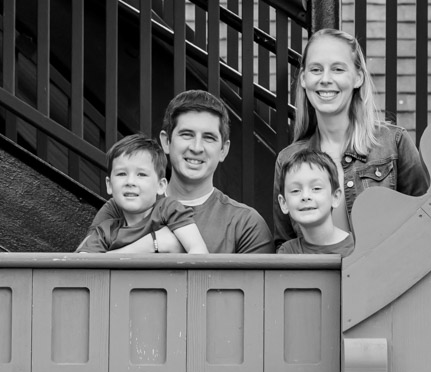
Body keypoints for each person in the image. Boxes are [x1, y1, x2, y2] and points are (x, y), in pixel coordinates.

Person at [272, 28, 429, 249]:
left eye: (337, 69)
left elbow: (425, 222)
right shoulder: (288, 159)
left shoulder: (393, 144)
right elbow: (285, 246)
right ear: (304, 79)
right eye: (316, 69)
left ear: (358, 78)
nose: (325, 79)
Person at [86, 89, 273, 254]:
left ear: (223, 150)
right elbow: (86, 274)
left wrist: (154, 244)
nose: (197, 147)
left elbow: (253, 292)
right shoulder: (121, 206)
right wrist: (153, 243)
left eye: (208, 138)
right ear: (166, 142)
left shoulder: (245, 224)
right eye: (186, 134)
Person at [76, 134, 208, 254]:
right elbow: (82, 267)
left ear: (161, 186)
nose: (130, 182)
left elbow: (198, 251)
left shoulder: (168, 209)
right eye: (122, 174)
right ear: (109, 185)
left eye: (141, 174)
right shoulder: (105, 231)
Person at [275, 148, 353, 257]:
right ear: (283, 203)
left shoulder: (357, 248)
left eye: (316, 188)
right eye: (295, 190)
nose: (305, 196)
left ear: (335, 197)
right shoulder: (288, 252)